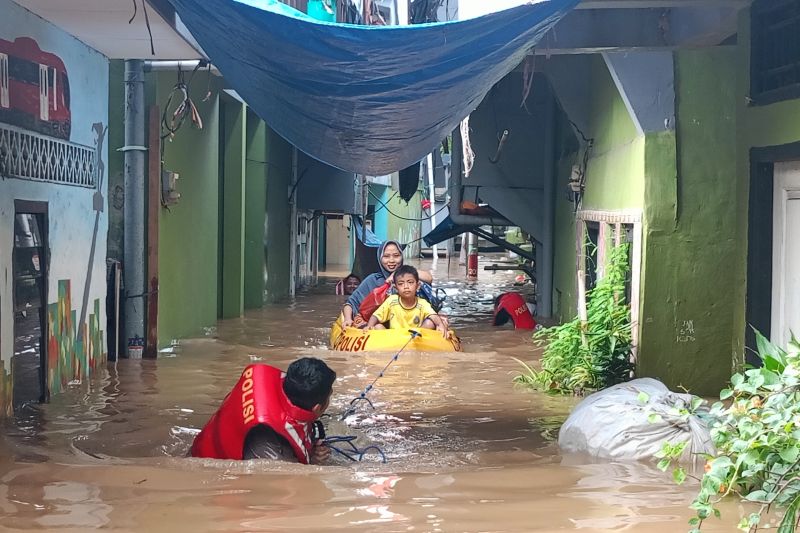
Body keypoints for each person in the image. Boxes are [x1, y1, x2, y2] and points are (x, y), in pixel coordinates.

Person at [190, 357, 336, 464]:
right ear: (317, 408)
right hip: (209, 471)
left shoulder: (272, 381)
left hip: (203, 444)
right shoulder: (272, 453)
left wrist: (311, 452)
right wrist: (314, 462)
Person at [341, 240, 432, 328]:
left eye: (396, 255)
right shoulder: (373, 280)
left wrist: (397, 274)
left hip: (412, 327)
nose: (391, 260)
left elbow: (429, 278)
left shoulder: (410, 276)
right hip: (381, 329)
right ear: (380, 258)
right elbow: (351, 303)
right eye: (386, 256)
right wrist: (348, 319)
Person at [367, 265, 447, 336]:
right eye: (401, 283)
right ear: (396, 288)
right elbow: (376, 316)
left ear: (418, 286)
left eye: (410, 282)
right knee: (377, 326)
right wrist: (368, 327)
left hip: (414, 338)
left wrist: (440, 325)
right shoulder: (392, 301)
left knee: (430, 323)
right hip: (393, 338)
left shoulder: (422, 303)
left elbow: (433, 315)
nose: (406, 287)